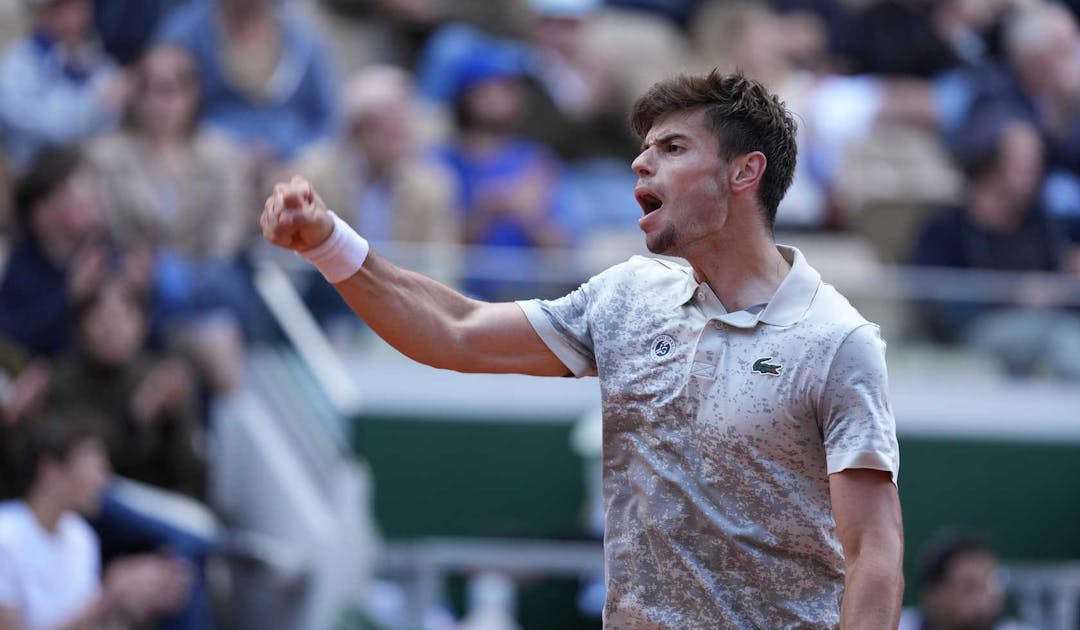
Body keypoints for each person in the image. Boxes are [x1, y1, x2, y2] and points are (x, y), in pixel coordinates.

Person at [261, 70, 903, 627]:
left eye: (672, 147)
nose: (641, 163)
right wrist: (329, 244)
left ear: (744, 171)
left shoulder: (835, 341)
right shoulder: (627, 297)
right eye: (644, 148)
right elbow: (456, 329)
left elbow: (874, 554)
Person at [0, 408, 190, 630]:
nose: (102, 478)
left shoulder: (81, 537)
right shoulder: (6, 537)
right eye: (92, 464)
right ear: (50, 470)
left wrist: (130, 604)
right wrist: (108, 598)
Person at [0, 0, 129, 171]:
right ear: (43, 11)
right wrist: (95, 105)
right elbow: (46, 129)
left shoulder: (97, 60)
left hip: (90, 171)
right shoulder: (16, 64)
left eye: (79, 7)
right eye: (62, 8)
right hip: (33, 174)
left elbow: (111, 121)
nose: (73, 19)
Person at [898, 534, 1034, 630]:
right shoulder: (894, 625)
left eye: (993, 585)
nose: (984, 602)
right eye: (969, 589)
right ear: (934, 592)